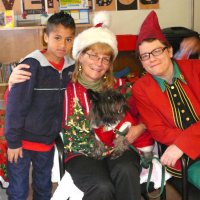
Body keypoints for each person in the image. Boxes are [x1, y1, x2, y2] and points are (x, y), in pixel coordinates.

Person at [5, 12, 75, 200]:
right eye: (57, 38)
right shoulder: (31, 65)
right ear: (45, 37)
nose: (63, 45)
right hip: (22, 141)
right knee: (18, 191)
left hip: (46, 142)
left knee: (43, 188)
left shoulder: (71, 68)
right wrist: (13, 142)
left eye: (68, 39)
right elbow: (15, 106)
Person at [132, 10, 200, 199]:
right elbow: (158, 130)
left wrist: (185, 143)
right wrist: (184, 146)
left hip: (181, 147)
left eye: (156, 51)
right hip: (186, 159)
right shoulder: (141, 88)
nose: (151, 59)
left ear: (169, 51)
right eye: (144, 56)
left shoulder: (196, 69)